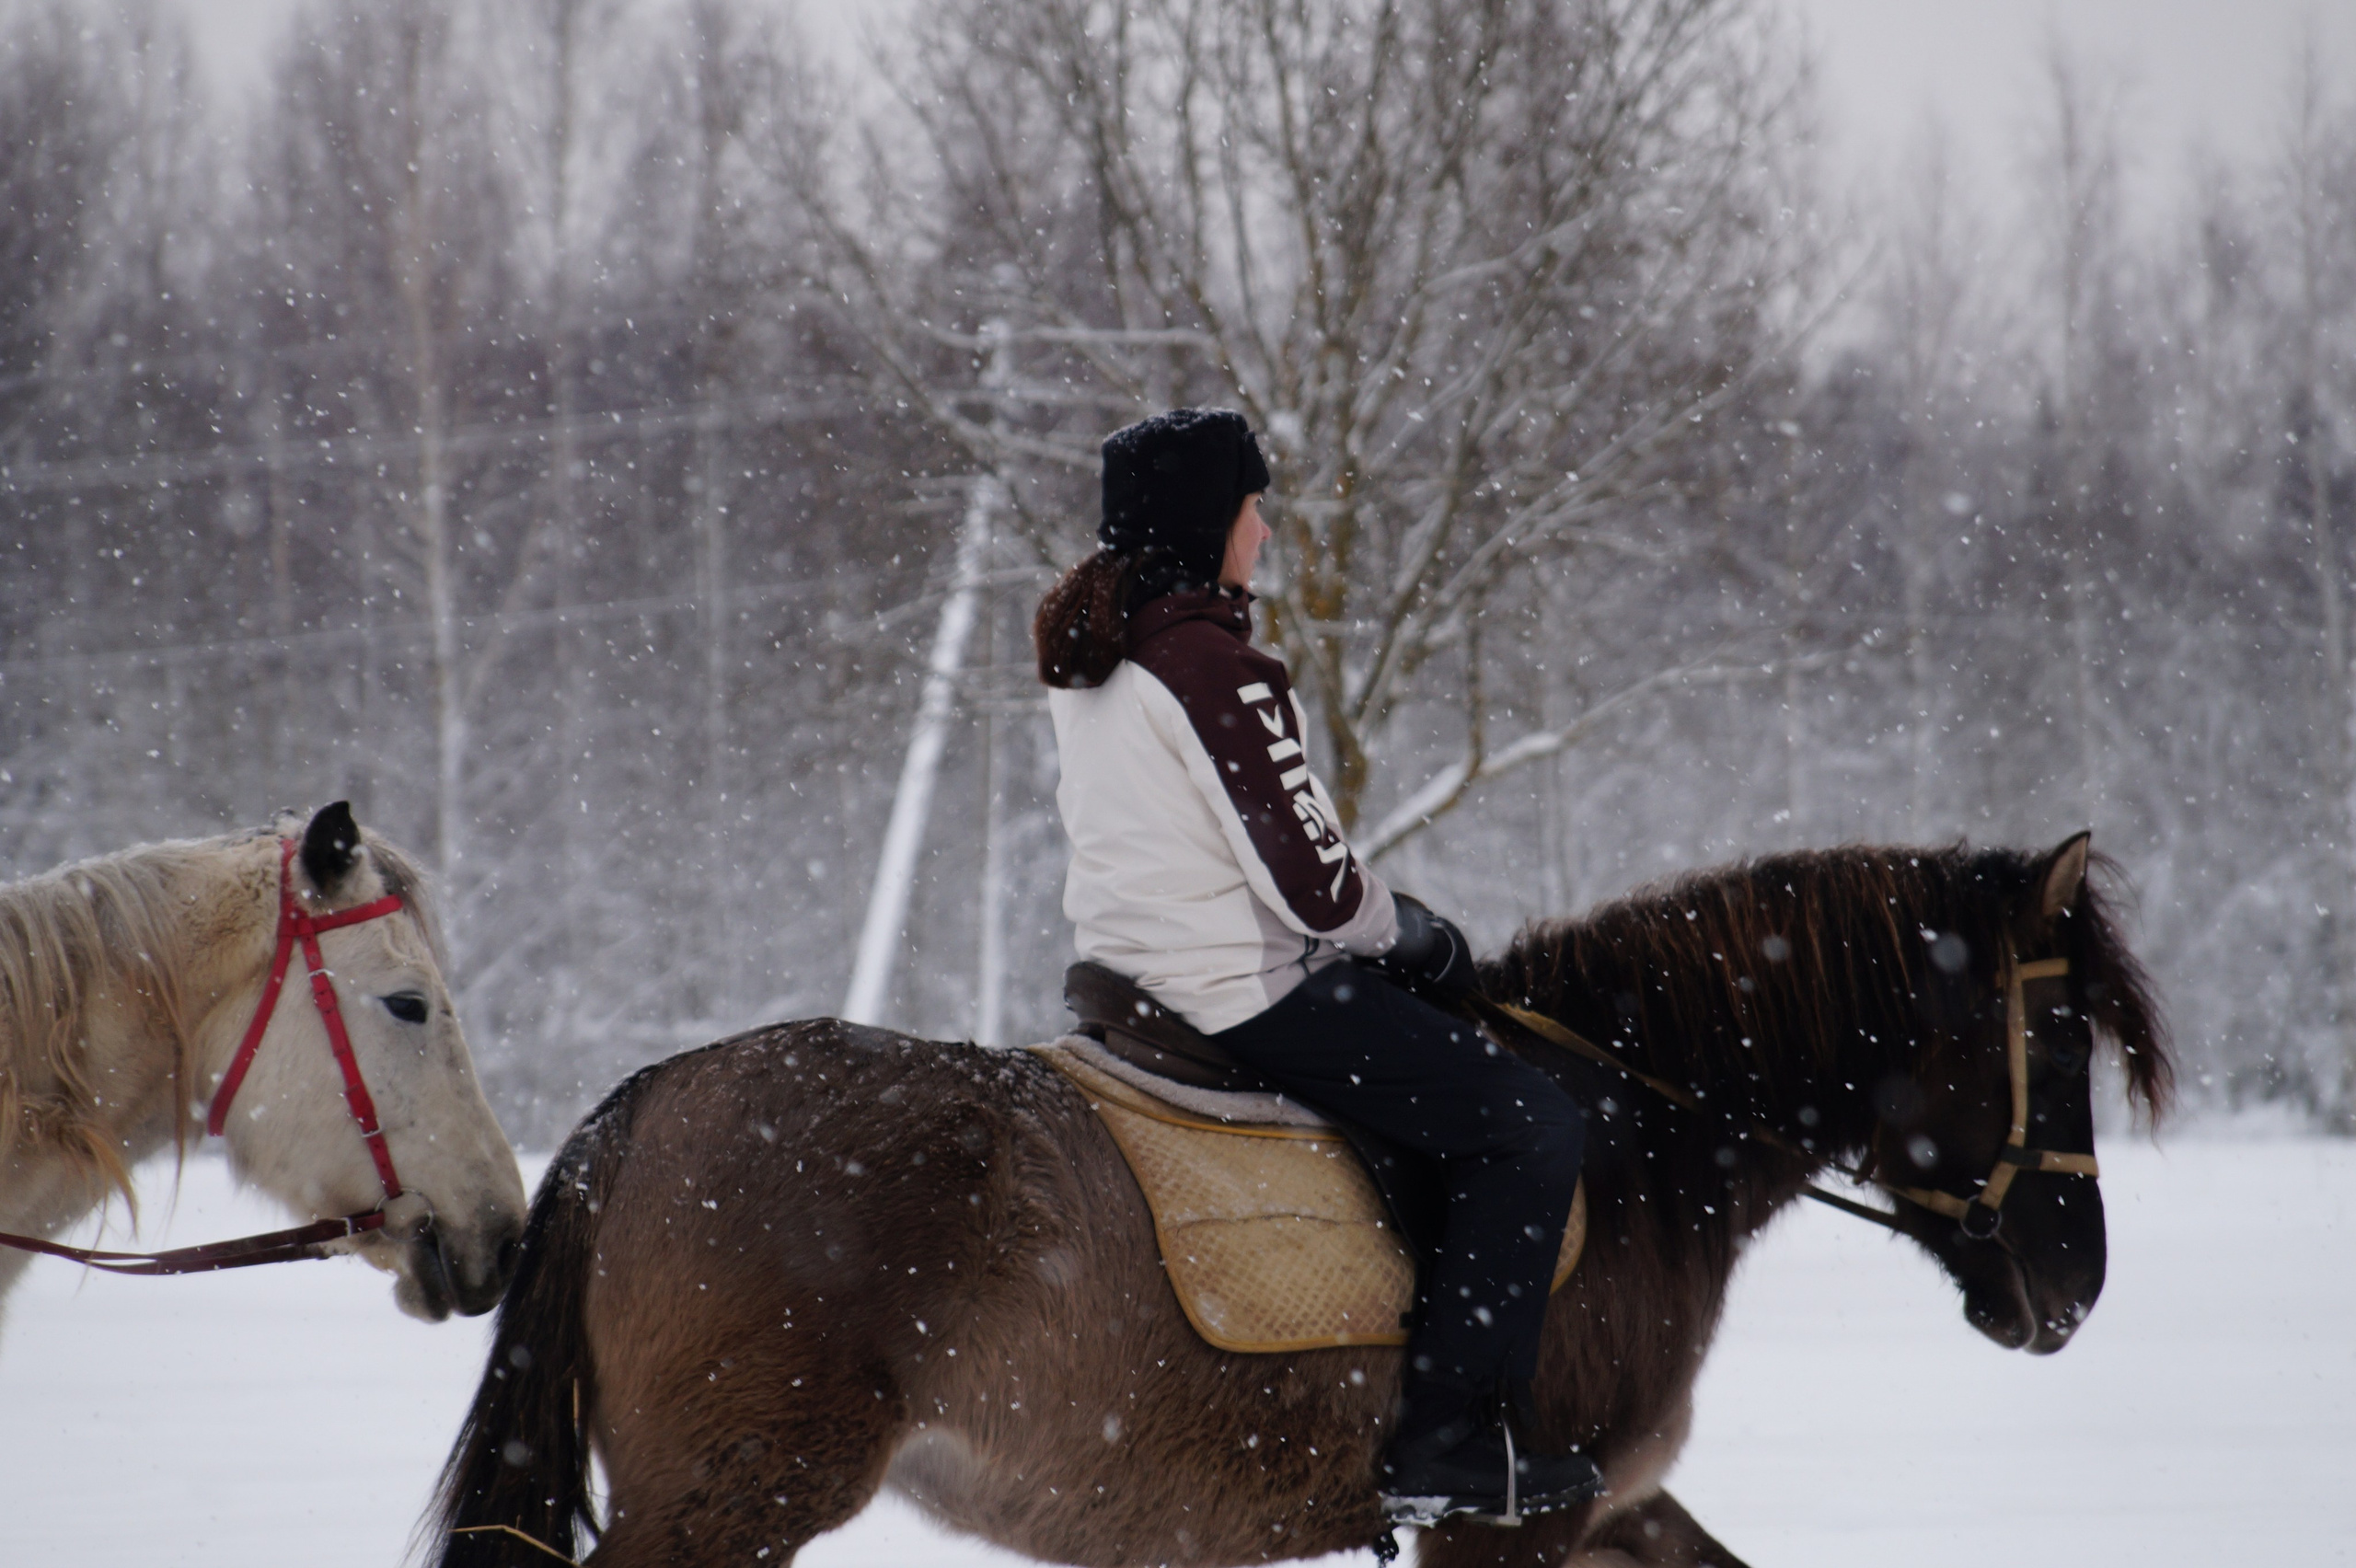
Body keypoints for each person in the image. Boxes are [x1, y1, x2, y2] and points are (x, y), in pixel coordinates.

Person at [1034, 408, 1600, 1525]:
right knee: (1529, 1122)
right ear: (1209, 522)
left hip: (1130, 973)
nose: (1265, 533)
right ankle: (1446, 1439)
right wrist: (1417, 935)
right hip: (1240, 987)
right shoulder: (1209, 661)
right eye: (1253, 509)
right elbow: (1313, 883)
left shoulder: (1103, 650)